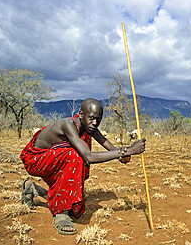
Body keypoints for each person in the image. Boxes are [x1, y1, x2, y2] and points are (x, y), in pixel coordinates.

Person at [20, 98, 146, 235]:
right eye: (91, 118)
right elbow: (88, 156)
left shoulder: (89, 128)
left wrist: (123, 155)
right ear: (81, 114)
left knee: (73, 158)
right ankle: (60, 214)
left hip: (53, 159)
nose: (95, 123)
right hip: (35, 161)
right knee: (74, 155)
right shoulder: (67, 125)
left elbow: (113, 149)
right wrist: (129, 150)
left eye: (98, 119)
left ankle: (33, 189)